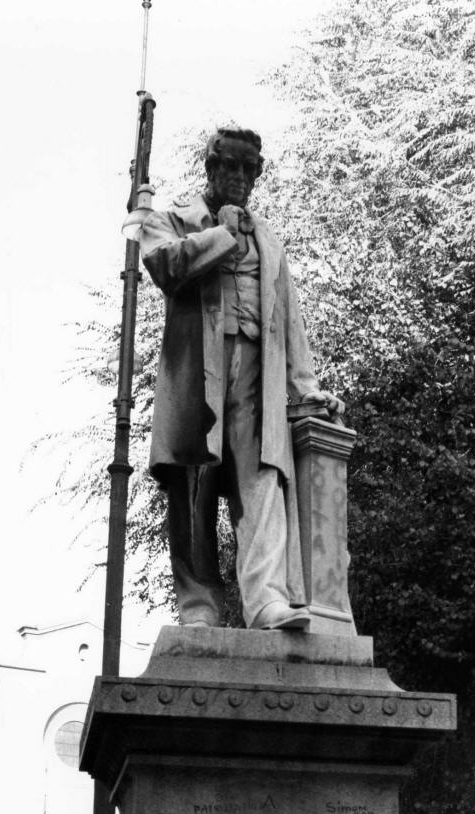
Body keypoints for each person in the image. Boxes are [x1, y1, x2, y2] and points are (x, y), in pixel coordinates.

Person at [139, 126, 344, 632]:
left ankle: (267, 600)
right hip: (196, 374)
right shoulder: (173, 220)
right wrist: (223, 234)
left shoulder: (269, 238)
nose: (238, 175)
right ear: (209, 167)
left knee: (263, 480)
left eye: (249, 167)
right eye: (228, 164)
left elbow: (288, 318)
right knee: (194, 486)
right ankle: (199, 607)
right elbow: (164, 266)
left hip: (258, 371)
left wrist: (306, 385)